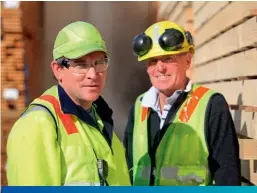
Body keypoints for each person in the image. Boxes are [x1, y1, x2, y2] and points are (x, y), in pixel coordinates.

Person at [7, 21, 131, 186]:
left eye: (99, 62)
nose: (93, 74)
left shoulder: (101, 121)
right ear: (58, 69)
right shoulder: (38, 124)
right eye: (81, 64)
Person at [123, 21, 241, 186]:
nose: (160, 68)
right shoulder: (139, 106)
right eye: (152, 61)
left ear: (188, 60)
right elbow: (128, 169)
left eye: (168, 58)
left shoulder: (211, 105)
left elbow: (228, 178)